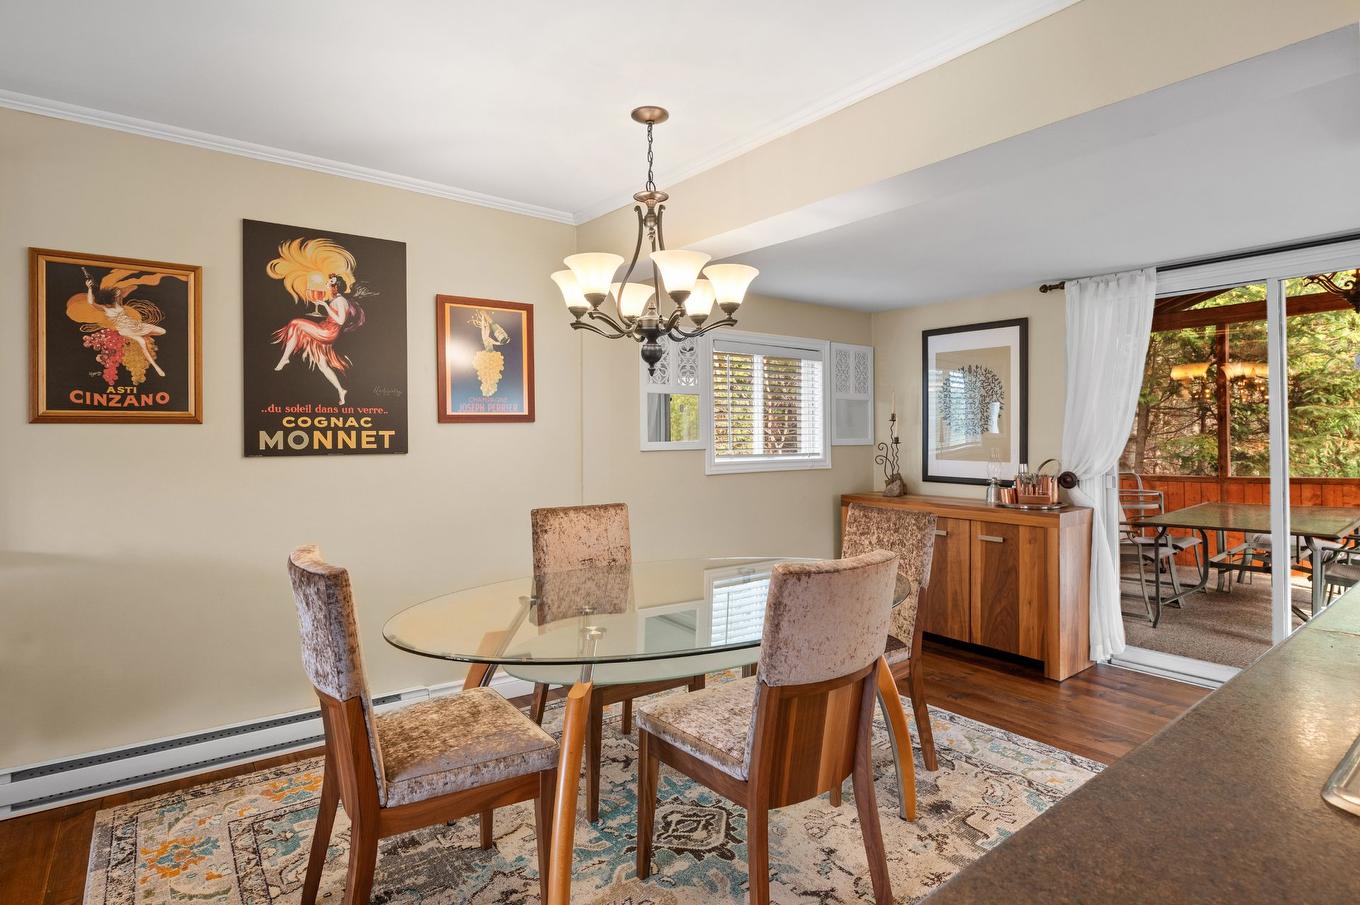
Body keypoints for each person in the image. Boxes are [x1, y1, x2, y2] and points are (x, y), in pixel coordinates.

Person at [273, 273, 364, 405]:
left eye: (330, 282)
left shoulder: (340, 300)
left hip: (328, 332)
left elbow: (340, 320)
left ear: (336, 287)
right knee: (323, 366)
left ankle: (285, 358)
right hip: (326, 328)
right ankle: (341, 390)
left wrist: (325, 306)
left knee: (295, 323)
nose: (328, 283)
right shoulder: (337, 299)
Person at [84, 275, 166, 377]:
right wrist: (89, 288)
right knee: (142, 343)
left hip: (135, 325)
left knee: (162, 331)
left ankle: (142, 336)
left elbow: (118, 291)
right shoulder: (105, 308)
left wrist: (116, 291)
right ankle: (157, 368)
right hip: (125, 330)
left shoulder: (118, 302)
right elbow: (91, 302)